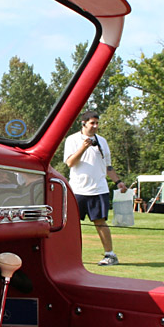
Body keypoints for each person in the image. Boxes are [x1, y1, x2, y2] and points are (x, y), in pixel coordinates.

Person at [64, 110, 128, 266]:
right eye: (92, 123)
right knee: (71, 225)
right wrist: (83, 148)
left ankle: (110, 255)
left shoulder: (102, 141)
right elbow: (70, 163)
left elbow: (108, 166)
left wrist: (118, 182)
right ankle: (68, 256)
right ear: (83, 123)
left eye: (97, 123)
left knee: (100, 223)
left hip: (99, 189)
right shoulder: (72, 140)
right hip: (77, 190)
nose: (95, 126)